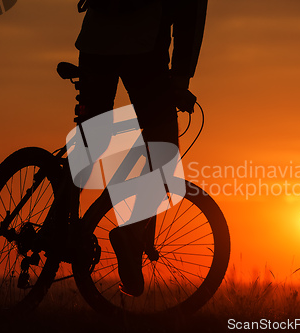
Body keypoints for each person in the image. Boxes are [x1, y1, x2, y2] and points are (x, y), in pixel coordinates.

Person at [74, 0, 208, 296]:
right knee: (164, 149)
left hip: (94, 40)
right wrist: (180, 78)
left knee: (91, 137)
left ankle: (59, 221)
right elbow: (191, 14)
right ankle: (131, 235)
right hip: (143, 46)